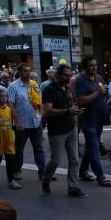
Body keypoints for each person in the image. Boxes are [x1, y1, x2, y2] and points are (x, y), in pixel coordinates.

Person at [40, 64, 86, 197]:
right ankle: (46, 179)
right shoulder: (49, 89)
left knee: (74, 160)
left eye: (70, 75)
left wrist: (76, 112)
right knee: (55, 160)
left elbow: (71, 105)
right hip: (57, 131)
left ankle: (73, 187)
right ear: (57, 75)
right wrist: (67, 111)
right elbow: (47, 111)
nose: (68, 77)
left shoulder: (68, 89)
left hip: (71, 128)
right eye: (66, 75)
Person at [73, 56, 111, 187]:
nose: (94, 68)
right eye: (91, 65)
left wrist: (106, 94)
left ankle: (83, 170)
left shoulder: (99, 78)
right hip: (88, 120)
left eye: (95, 65)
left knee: (91, 147)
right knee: (94, 146)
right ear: (85, 67)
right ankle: (100, 176)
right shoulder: (80, 80)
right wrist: (98, 92)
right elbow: (80, 100)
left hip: (100, 118)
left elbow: (103, 94)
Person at [7, 63, 47, 181]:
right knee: (19, 149)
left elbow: (40, 101)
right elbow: (11, 105)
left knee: (39, 148)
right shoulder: (13, 86)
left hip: (35, 122)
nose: (27, 73)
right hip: (22, 125)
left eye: (29, 70)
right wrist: (17, 122)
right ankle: (17, 170)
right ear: (19, 72)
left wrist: (41, 116)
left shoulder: (34, 85)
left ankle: (42, 172)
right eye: (25, 71)